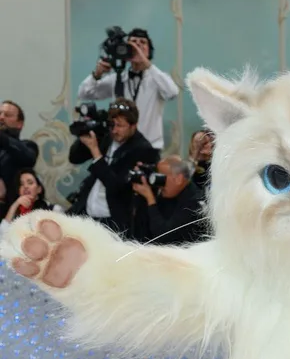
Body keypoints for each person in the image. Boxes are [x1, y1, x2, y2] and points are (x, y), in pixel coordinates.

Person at [68, 98, 158, 237]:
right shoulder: (107, 137)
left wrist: (96, 152)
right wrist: (85, 133)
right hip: (88, 216)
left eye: (120, 125)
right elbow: (74, 158)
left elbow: (116, 185)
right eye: (112, 125)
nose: (114, 130)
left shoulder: (142, 150)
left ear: (133, 125)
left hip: (114, 223)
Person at [77, 29, 178, 150]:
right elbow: (84, 93)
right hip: (120, 147)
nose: (138, 45)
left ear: (148, 51)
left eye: (142, 42)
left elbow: (172, 93)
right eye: (133, 42)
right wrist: (97, 74)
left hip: (149, 147)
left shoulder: (157, 78)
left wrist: (146, 63)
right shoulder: (118, 78)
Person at [132, 155, 208, 246]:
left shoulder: (194, 202)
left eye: (161, 177)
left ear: (179, 179)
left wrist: (150, 199)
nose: (160, 185)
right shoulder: (168, 194)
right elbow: (143, 232)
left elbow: (163, 237)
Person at [0, 101, 39, 217]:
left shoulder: (28, 146)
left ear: (19, 124)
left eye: (7, 115)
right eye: (0, 113)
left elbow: (28, 157)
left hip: (12, 213)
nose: (1, 117)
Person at [188, 128, 215, 197]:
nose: (210, 144)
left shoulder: (218, 160)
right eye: (204, 143)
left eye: (211, 140)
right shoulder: (197, 169)